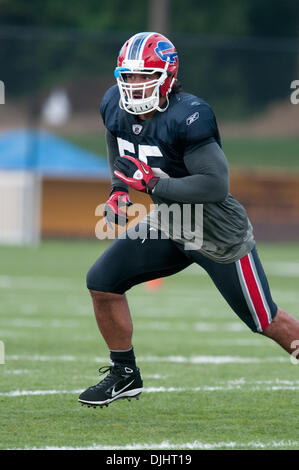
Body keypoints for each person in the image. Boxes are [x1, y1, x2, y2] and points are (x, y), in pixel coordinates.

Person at [78, 32, 299, 408]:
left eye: (144, 75)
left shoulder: (189, 114)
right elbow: (116, 138)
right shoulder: (113, 104)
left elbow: (214, 185)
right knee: (101, 283)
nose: (134, 85)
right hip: (169, 219)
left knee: (265, 320)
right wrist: (119, 188)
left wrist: (150, 182)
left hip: (216, 230)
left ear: (167, 75)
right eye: (128, 76)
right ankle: (125, 375)